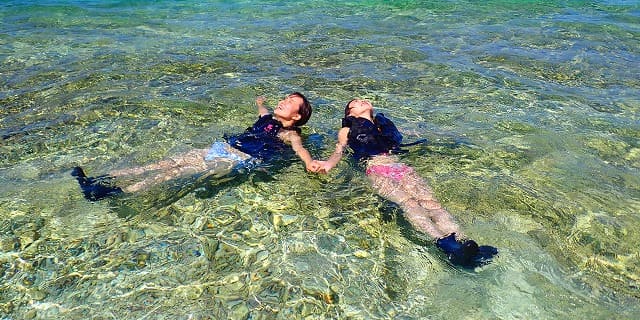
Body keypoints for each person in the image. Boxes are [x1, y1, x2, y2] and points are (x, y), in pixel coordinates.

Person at [310, 98, 498, 268]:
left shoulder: (382, 127)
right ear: (350, 113)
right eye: (356, 102)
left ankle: (464, 243)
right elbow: (339, 149)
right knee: (409, 202)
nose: (362, 100)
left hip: (401, 168)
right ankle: (443, 243)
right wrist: (327, 164)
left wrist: (449, 133)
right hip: (376, 169)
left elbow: (411, 133)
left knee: (432, 203)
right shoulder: (347, 129)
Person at [72, 93, 319, 201]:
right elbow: (263, 111)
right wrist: (259, 103)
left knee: (175, 173)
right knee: (166, 163)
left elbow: (300, 148)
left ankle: (116, 193)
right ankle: (99, 179)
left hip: (237, 158)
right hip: (224, 147)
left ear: (297, 117)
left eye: (290, 102)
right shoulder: (268, 118)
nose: (283, 101)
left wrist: (308, 163)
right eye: (284, 98)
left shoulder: (289, 133)